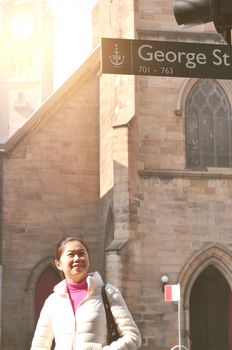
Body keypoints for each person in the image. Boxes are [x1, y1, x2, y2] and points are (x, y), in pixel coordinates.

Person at [31, 237, 141, 350]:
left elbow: (132, 336)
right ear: (58, 264)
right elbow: (39, 345)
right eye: (71, 254)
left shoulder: (108, 293)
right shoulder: (53, 301)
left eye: (81, 253)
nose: (77, 258)